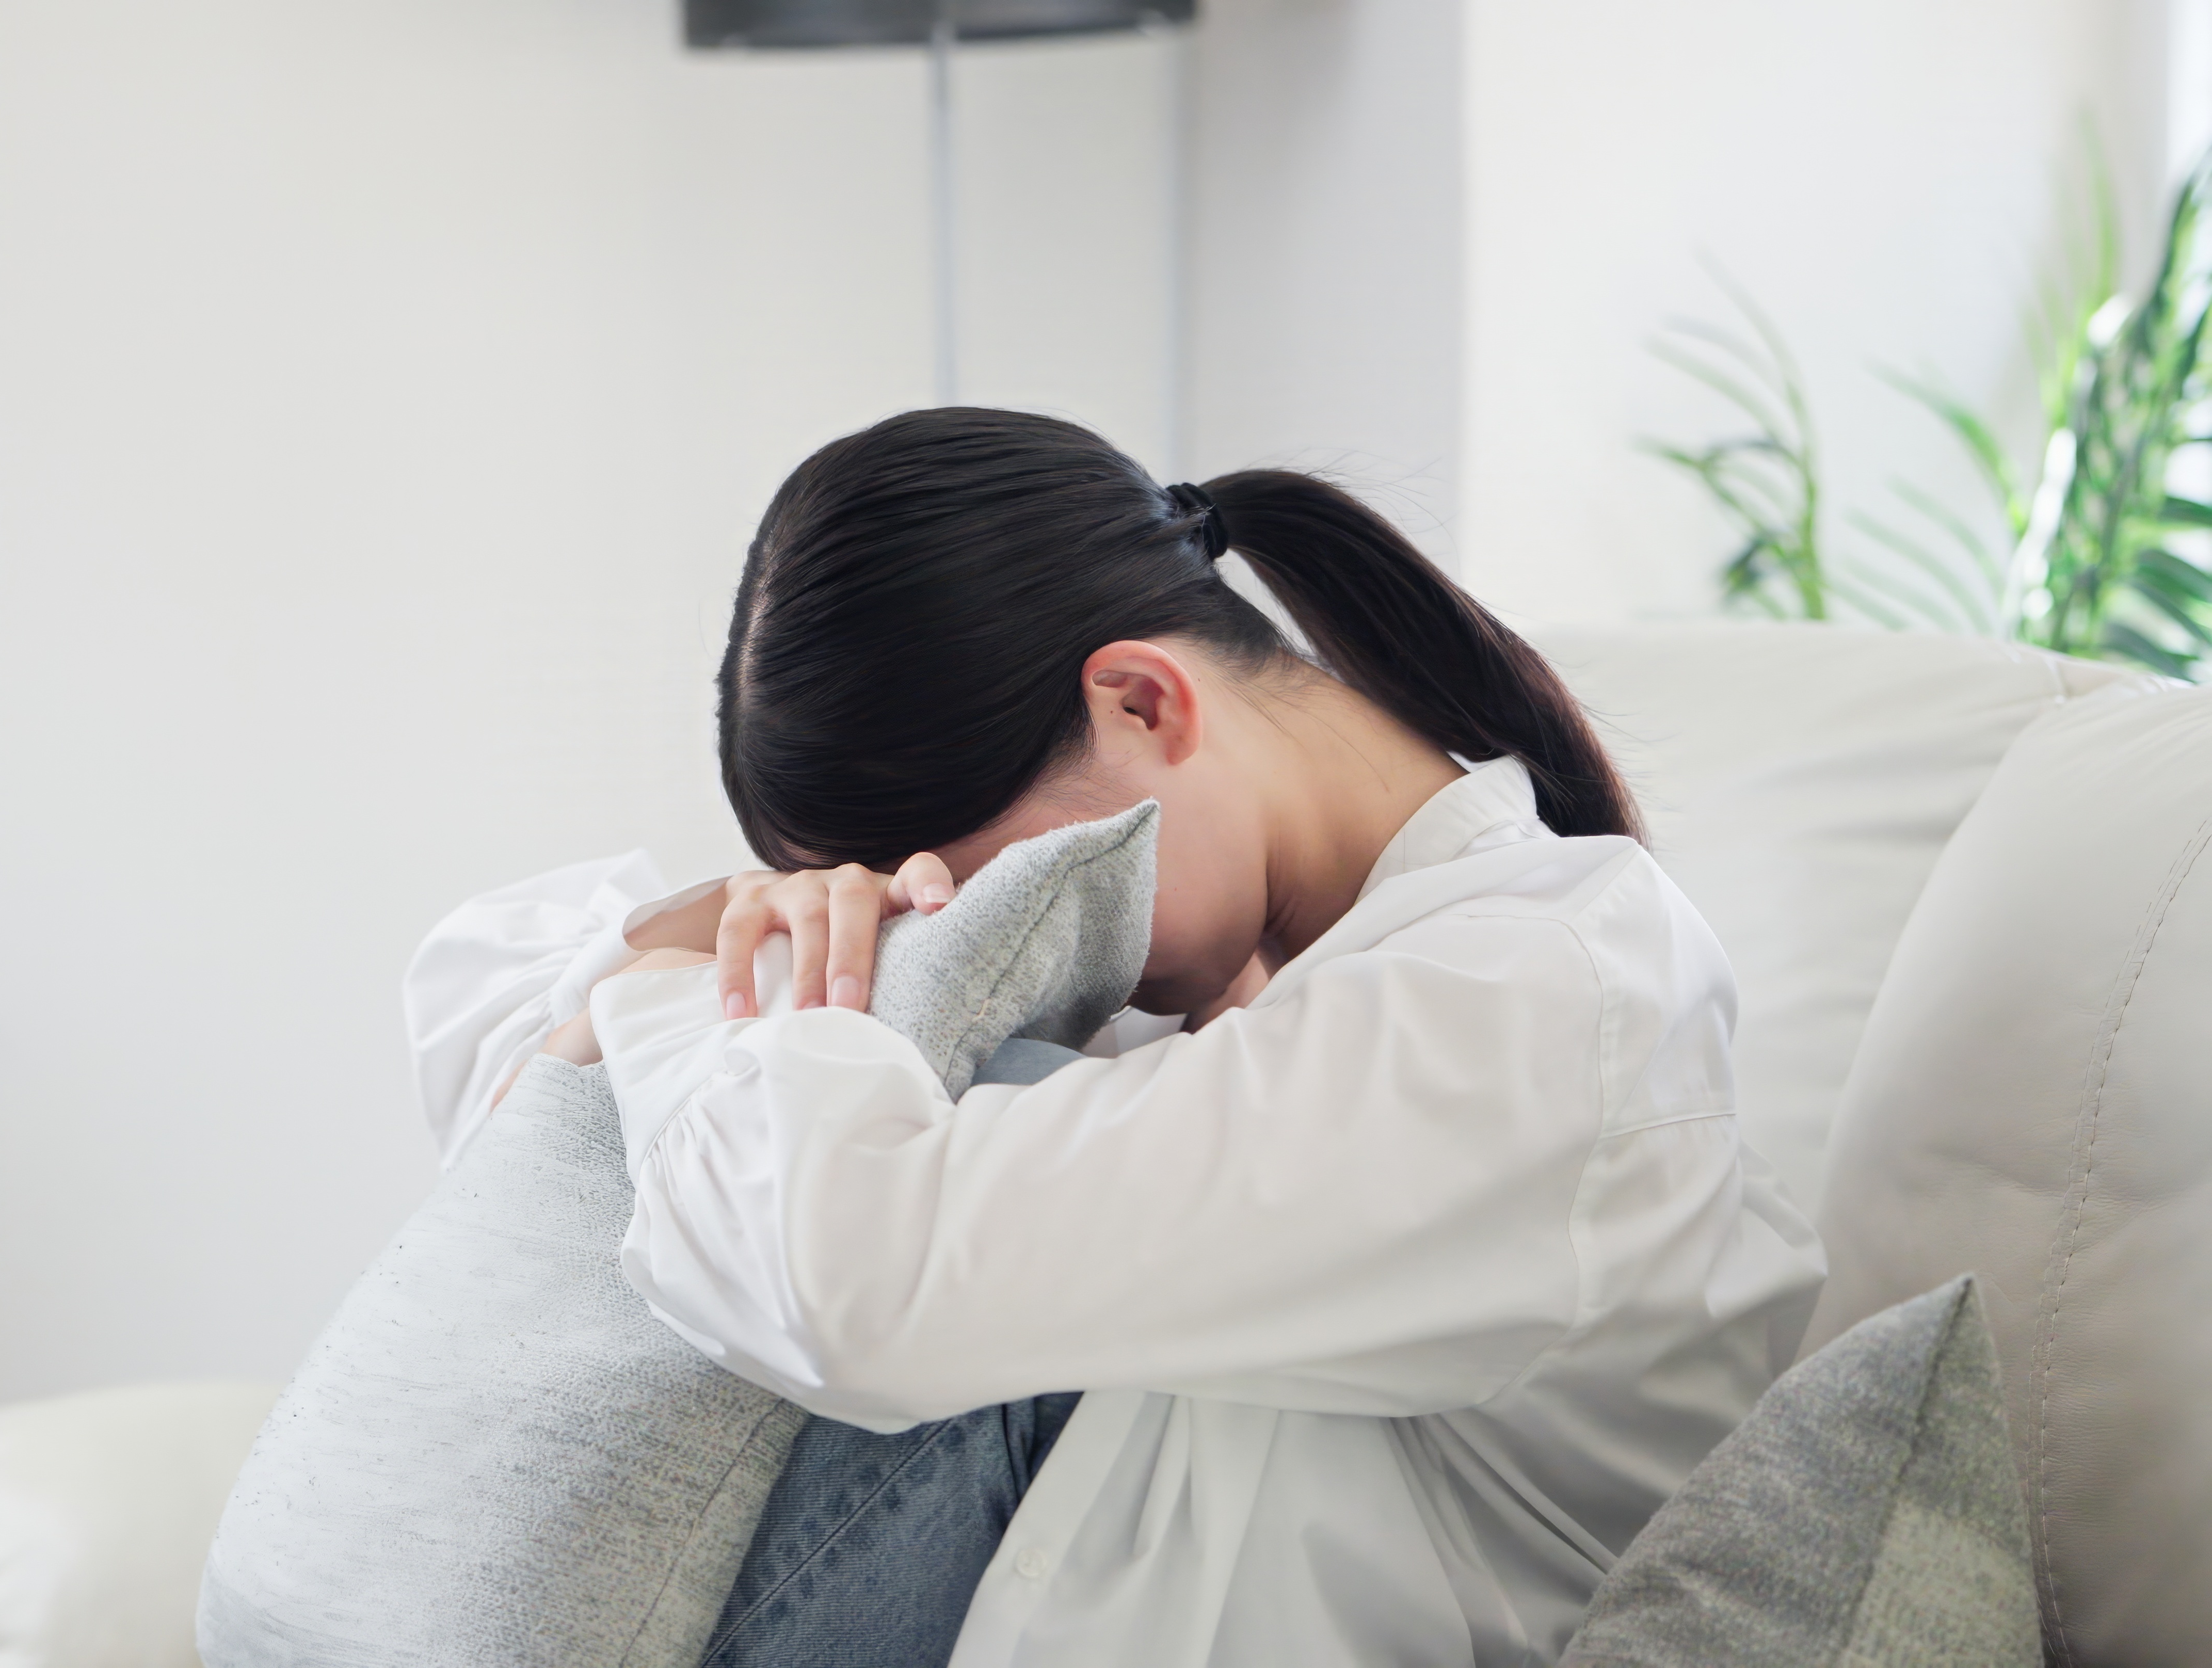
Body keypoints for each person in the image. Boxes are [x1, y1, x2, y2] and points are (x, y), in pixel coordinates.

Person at [402, 409, 1825, 1666]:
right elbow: (480, 1025)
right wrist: (707, 934)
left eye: (964, 896)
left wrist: (677, 988)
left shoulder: (1536, 997)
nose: (967, 936)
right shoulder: (1282, 972)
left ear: (1143, 703)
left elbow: (848, 1284)